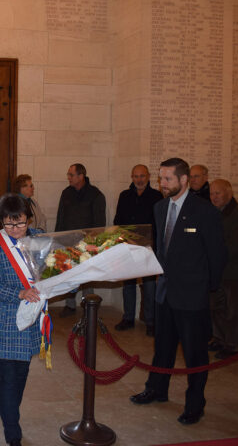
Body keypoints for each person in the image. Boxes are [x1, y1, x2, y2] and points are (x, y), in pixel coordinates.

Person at [130, 158, 226, 425]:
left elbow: (217, 254)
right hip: (165, 293)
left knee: (195, 353)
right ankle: (157, 388)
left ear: (184, 181)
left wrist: (208, 287)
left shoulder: (204, 211)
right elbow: (162, 249)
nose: (162, 184)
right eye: (161, 179)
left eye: (168, 179)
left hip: (192, 295)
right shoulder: (160, 208)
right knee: (163, 346)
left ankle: (196, 403)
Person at [0, 193, 42, 446]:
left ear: (29, 219)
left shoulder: (37, 239)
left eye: (21, 223)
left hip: (31, 320)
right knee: (8, 376)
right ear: (1, 221)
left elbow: (51, 267)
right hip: (4, 320)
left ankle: (10, 414)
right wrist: (17, 292)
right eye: (9, 224)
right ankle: (12, 431)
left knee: (22, 372)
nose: (16, 229)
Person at [113, 164, 163, 336]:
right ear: (131, 177)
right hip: (128, 247)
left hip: (148, 248)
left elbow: (159, 224)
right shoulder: (124, 195)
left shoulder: (157, 196)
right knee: (128, 285)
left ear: (148, 177)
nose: (139, 180)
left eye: (142, 176)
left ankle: (151, 321)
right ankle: (128, 318)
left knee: (149, 286)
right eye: (136, 176)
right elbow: (118, 221)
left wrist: (152, 243)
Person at [208, 179, 238, 360]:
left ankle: (232, 345)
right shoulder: (217, 213)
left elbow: (237, 246)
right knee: (217, 308)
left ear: (229, 193)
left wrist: (213, 253)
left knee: (234, 311)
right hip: (219, 272)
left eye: (218, 193)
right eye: (212, 193)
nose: (214, 197)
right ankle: (219, 338)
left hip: (235, 273)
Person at [55, 163, 106, 315]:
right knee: (69, 273)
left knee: (86, 276)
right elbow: (60, 218)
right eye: (69, 175)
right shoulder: (66, 193)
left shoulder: (95, 194)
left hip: (87, 244)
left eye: (71, 175)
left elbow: (99, 223)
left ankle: (88, 305)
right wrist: (58, 239)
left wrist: (93, 243)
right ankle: (70, 304)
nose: (68, 178)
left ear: (81, 176)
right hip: (68, 242)